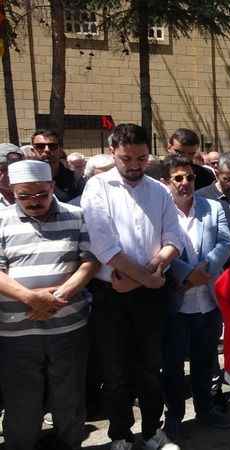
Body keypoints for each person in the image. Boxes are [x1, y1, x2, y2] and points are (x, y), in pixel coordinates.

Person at [81, 124, 183, 450]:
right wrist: (146, 278)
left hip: (150, 291)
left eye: (142, 157)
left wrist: (153, 271)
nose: (136, 165)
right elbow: (104, 245)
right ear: (113, 153)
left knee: (151, 368)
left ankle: (153, 431)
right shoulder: (96, 188)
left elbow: (174, 238)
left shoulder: (158, 190)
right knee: (115, 372)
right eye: (127, 158)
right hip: (112, 294)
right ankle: (121, 435)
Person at [0, 160, 99, 450]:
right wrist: (31, 299)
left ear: (52, 187)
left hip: (68, 327)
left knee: (69, 395)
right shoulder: (2, 221)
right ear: (12, 190)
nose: (34, 202)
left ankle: (70, 443)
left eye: (41, 194)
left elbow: (89, 262)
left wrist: (57, 298)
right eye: (24, 196)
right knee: (21, 399)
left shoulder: (76, 216)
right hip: (15, 332)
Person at [159, 155, 230, 441]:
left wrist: (207, 268)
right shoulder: (161, 212)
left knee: (205, 362)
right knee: (174, 366)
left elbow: (225, 243)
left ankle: (206, 409)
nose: (185, 183)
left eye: (189, 177)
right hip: (177, 302)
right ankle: (175, 416)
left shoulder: (213, 208)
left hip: (209, 302)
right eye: (178, 178)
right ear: (167, 183)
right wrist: (187, 275)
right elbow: (158, 246)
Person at [31, 130, 83, 202]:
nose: (47, 150)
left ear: (60, 149)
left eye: (52, 146)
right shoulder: (26, 179)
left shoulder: (75, 179)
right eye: (40, 146)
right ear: (33, 151)